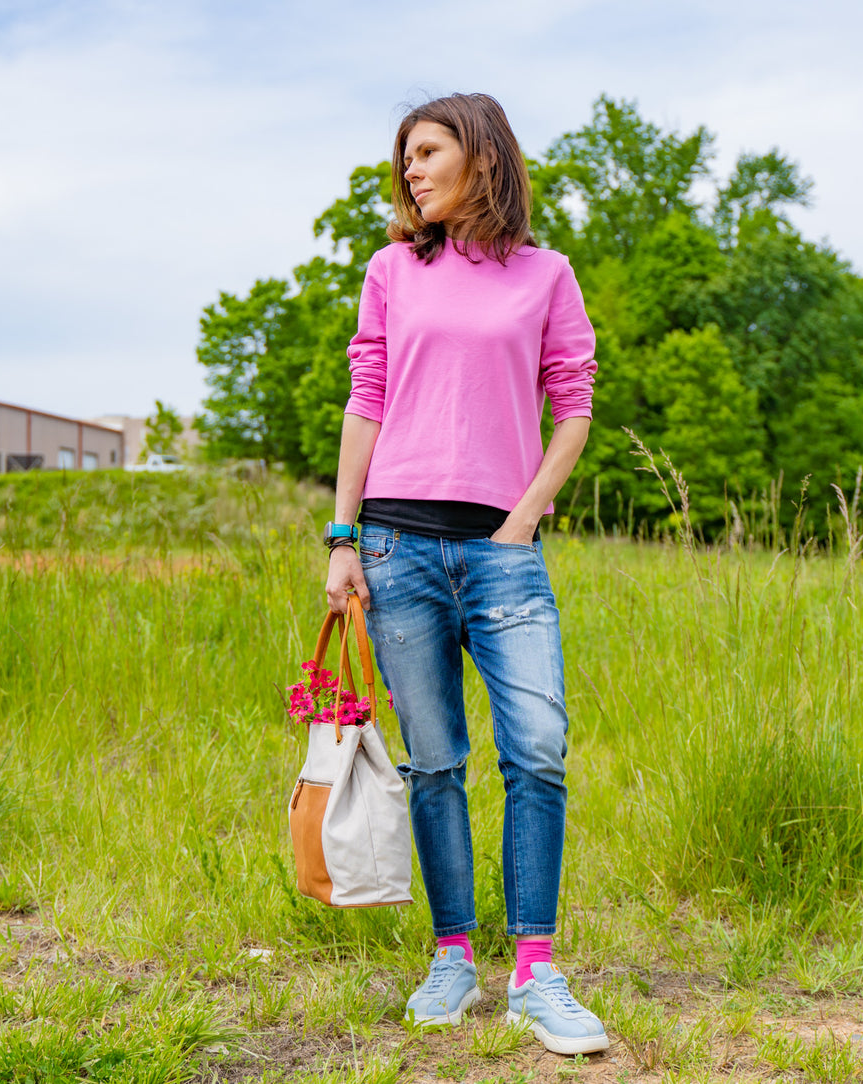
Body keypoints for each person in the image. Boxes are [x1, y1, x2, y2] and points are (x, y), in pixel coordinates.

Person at [323, 92, 609, 1056]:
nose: (410, 171)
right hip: (396, 550)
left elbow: (572, 406)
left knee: (536, 749)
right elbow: (367, 397)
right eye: (404, 157)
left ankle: (535, 971)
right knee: (434, 762)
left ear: (480, 158)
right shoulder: (391, 271)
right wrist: (340, 535)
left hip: (503, 554)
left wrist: (522, 519)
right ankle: (452, 957)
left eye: (427, 152)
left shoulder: (546, 275)